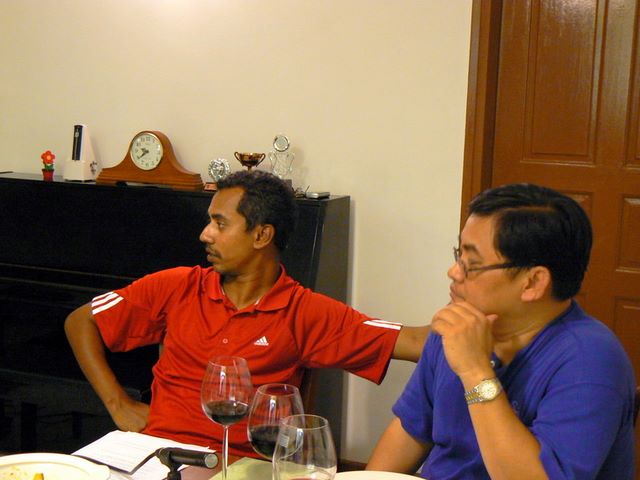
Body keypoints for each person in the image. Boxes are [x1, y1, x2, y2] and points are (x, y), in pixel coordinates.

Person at [65, 170, 429, 458]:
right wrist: (118, 403)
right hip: (156, 455)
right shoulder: (177, 286)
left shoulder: (304, 311)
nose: (205, 234)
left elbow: (414, 340)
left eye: (220, 224)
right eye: (209, 221)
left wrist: (463, 312)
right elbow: (81, 321)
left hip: (242, 465)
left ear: (261, 236)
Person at [367, 183, 636, 479]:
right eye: (459, 255)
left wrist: (475, 372)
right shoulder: (460, 326)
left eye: (472, 264)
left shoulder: (590, 362)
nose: (453, 272)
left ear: (533, 283)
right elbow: (410, 430)